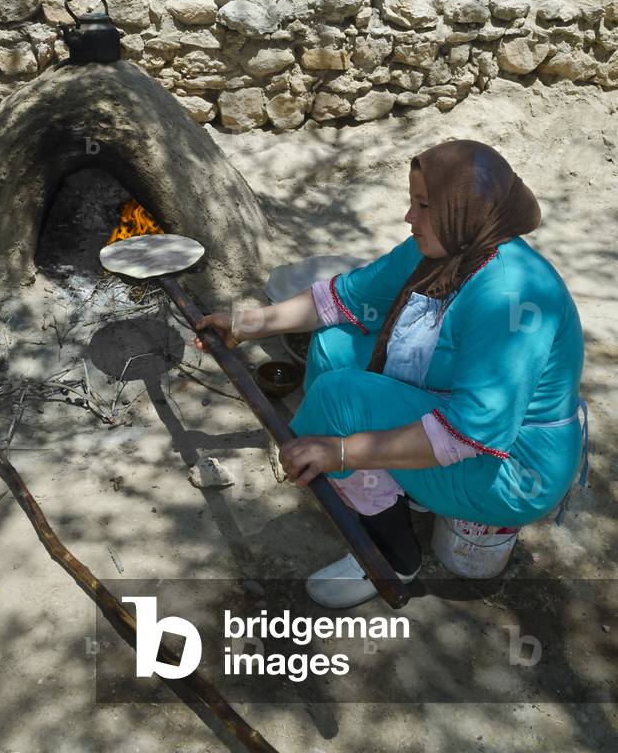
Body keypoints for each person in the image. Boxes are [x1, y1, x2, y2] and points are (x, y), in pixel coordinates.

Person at [194, 140, 586, 608]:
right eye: (413, 201)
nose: (409, 217)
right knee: (335, 345)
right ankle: (393, 487)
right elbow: (341, 298)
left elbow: (471, 430)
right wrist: (244, 323)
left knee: (340, 398)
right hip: (468, 420)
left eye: (423, 205)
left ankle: (391, 554)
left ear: (463, 210)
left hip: (515, 466)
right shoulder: (450, 247)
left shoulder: (509, 294)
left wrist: (342, 449)